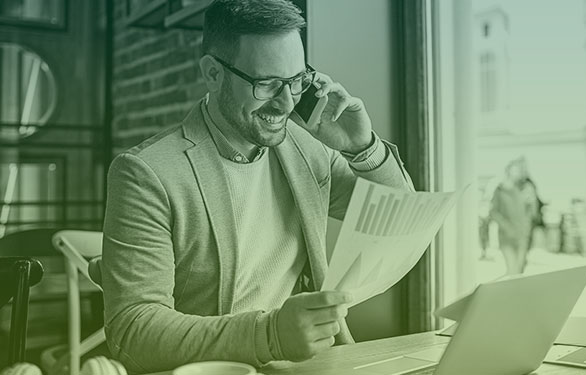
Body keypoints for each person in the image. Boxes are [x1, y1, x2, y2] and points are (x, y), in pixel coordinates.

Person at [101, 0, 414, 373]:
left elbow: (401, 222)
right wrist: (270, 335)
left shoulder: (309, 149)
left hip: (315, 366)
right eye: (267, 84)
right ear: (213, 74)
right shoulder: (146, 173)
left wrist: (363, 148)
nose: (285, 103)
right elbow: (132, 330)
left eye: (297, 82)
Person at [489, 158, 531, 274]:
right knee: (512, 270)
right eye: (515, 170)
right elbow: (493, 212)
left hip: (521, 236)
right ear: (508, 171)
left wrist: (526, 228)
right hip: (507, 237)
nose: (518, 173)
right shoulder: (500, 191)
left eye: (519, 171)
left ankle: (519, 292)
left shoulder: (522, 190)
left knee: (520, 271)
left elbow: (528, 213)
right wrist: (506, 227)